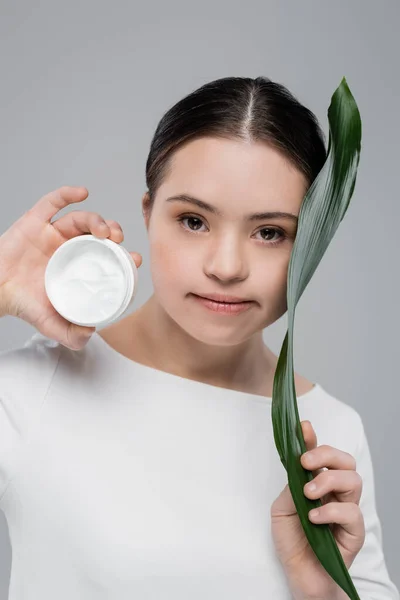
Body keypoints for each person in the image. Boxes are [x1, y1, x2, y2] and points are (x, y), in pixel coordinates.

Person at [0, 76, 398, 600]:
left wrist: (322, 591)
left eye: (270, 232)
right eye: (193, 221)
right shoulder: (32, 389)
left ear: (312, 243)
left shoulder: (331, 434)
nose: (226, 267)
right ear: (148, 214)